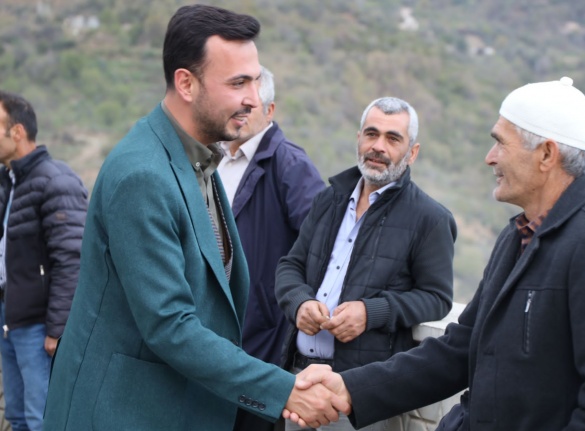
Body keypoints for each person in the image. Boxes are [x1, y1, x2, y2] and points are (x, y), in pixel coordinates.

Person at [289, 77, 585, 430]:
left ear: (546, 154)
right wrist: (351, 388)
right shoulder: (516, 237)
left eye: (501, 143)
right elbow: (460, 350)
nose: (489, 157)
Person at [42, 5, 347, 431]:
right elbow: (169, 324)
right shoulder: (143, 175)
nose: (253, 98)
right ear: (186, 83)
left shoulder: (198, 160)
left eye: (255, 80)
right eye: (238, 83)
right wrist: (284, 390)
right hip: (122, 413)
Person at [275, 96, 457, 431]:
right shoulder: (328, 199)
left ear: (412, 152)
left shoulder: (431, 219)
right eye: (371, 134)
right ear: (358, 138)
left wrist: (370, 312)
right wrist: (299, 302)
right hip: (297, 378)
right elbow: (290, 266)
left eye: (393, 138)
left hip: (356, 393)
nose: (378, 146)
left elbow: (437, 298)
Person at [219, 66, 325, 431]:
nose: (241, 112)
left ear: (270, 110)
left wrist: (288, 301)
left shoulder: (290, 164)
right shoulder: (213, 159)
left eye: (251, 106)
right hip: (216, 326)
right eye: (236, 104)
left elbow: (322, 243)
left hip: (261, 332)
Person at [0, 91, 88, 431]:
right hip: (11, 319)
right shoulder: (9, 183)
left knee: (43, 420)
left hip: (40, 326)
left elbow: (72, 260)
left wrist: (57, 329)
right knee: (18, 416)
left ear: (17, 132)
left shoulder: (55, 180)